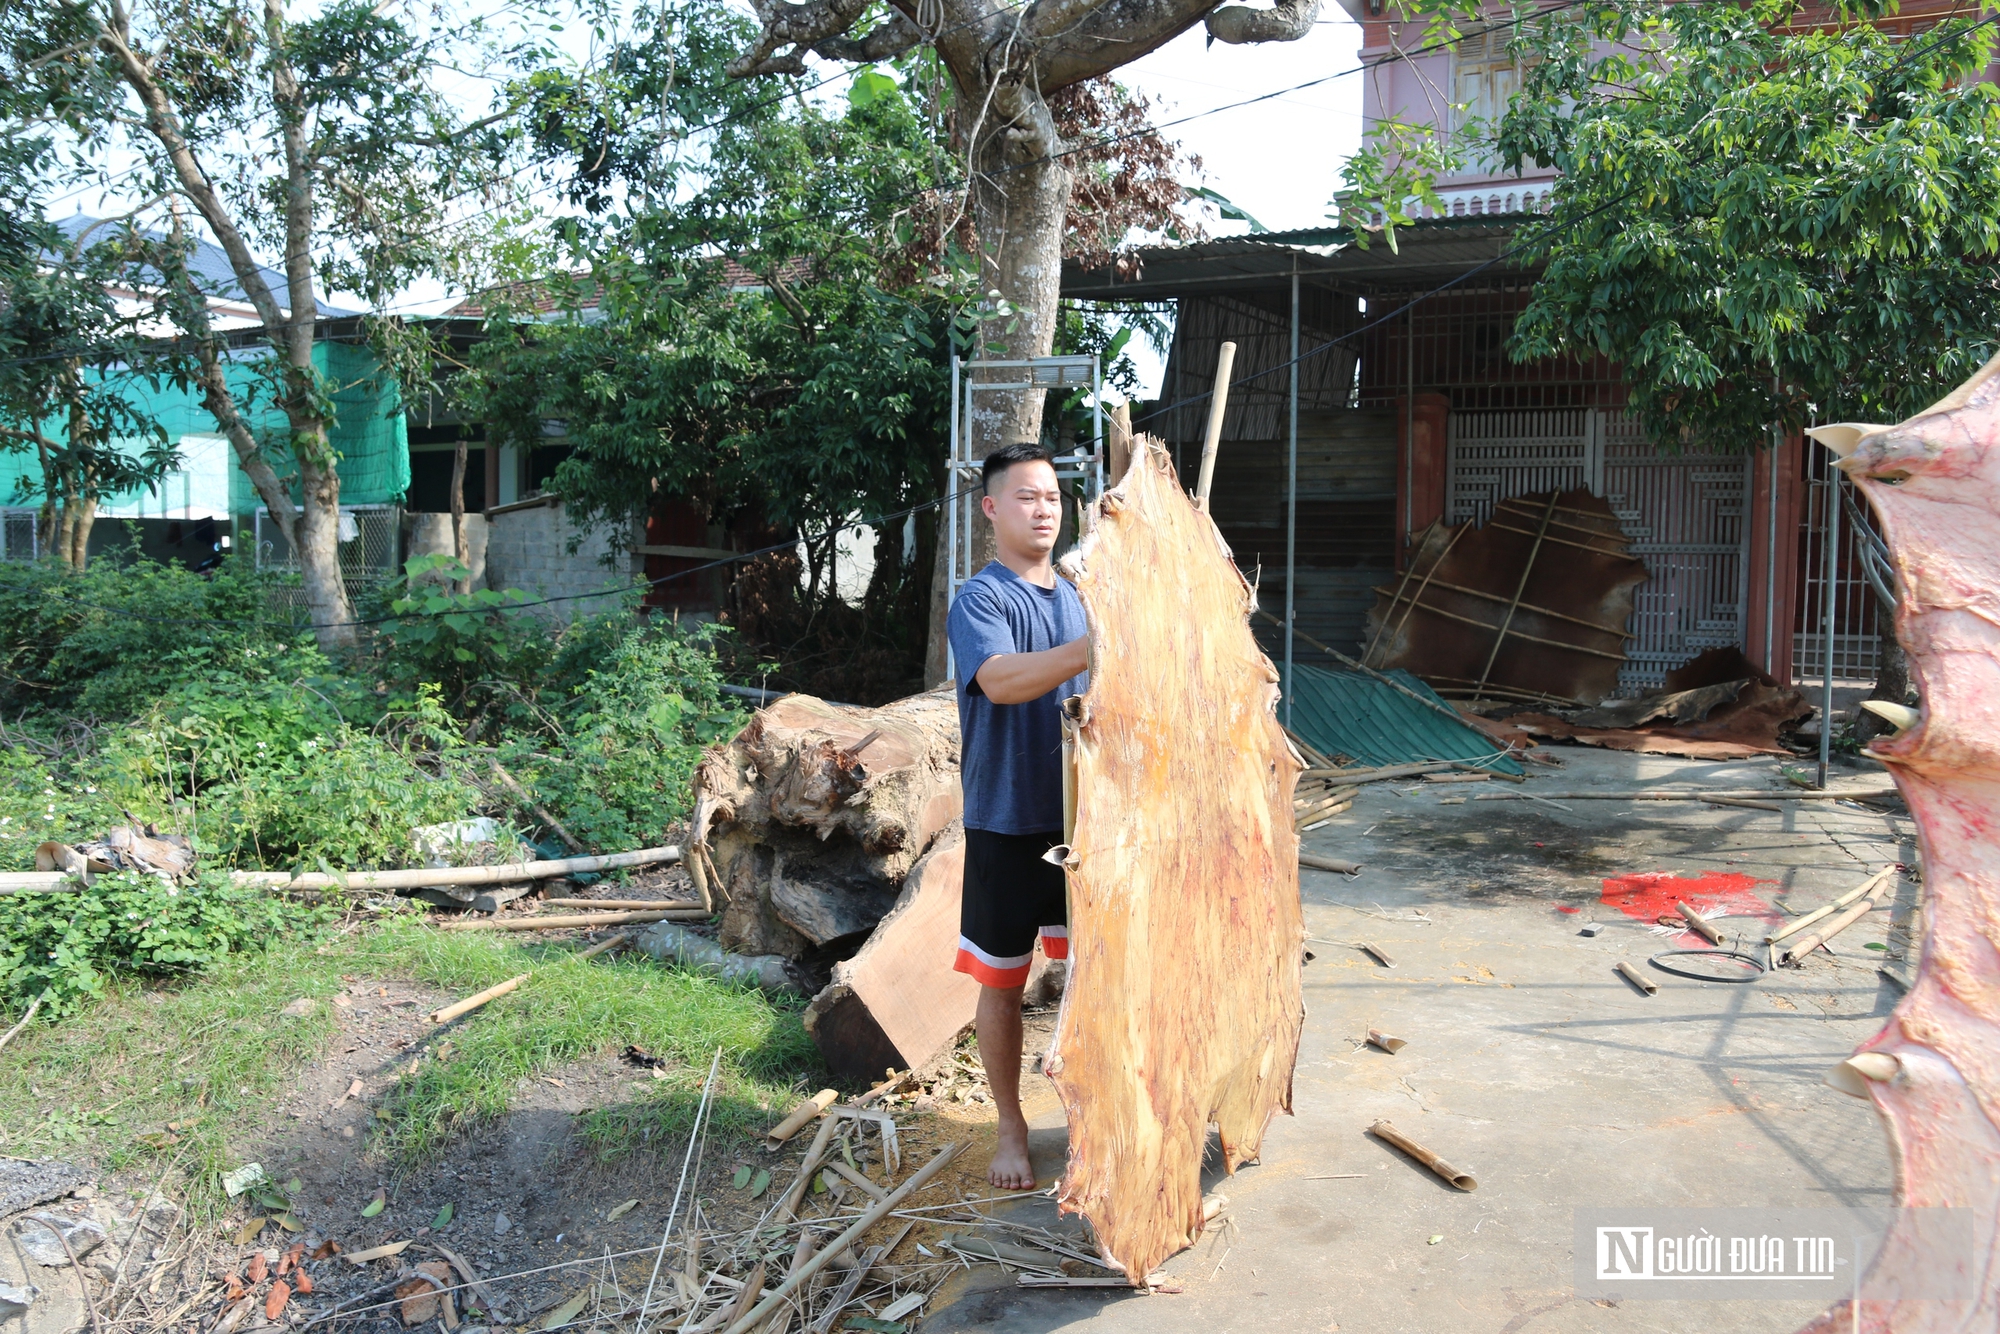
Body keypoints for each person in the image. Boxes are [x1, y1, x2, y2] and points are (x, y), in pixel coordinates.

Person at [945, 441, 1091, 1190]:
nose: (1044, 510)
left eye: (1053, 498)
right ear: (991, 508)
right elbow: (1000, 681)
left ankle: (1094, 1116)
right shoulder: (982, 599)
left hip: (1084, 821)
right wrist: (1094, 648)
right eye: (1027, 496)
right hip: (1006, 820)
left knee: (1095, 975)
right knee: (1003, 980)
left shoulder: (1082, 597)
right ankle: (1010, 1126)